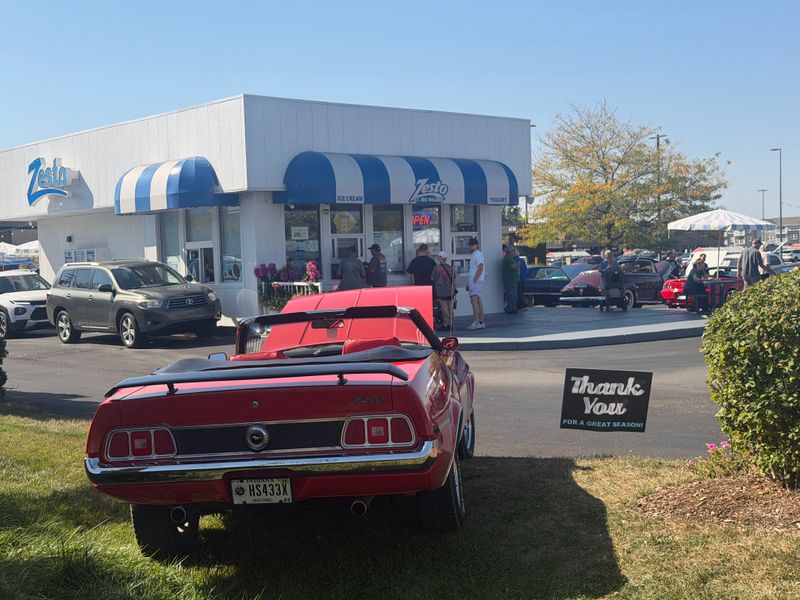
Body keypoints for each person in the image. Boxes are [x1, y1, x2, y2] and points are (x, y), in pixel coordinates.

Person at [432, 251, 456, 330]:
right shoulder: (451, 267)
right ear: (446, 258)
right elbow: (454, 280)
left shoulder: (436, 268)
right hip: (450, 290)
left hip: (441, 291)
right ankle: (451, 324)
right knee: (450, 309)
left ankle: (446, 325)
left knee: (445, 309)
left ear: (439, 258)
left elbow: (433, 279)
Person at [466, 237, 486, 329]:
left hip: (476, 281)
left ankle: (476, 322)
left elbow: (480, 267)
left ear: (475, 245)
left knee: (474, 301)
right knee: (478, 300)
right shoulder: (476, 254)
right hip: (477, 281)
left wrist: (474, 280)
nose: (469, 247)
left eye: (471, 245)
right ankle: (480, 321)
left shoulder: (477, 255)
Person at [501, 246, 520, 314]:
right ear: (510, 252)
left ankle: (513, 307)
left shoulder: (510, 259)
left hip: (513, 280)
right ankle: (510, 308)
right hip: (510, 280)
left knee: (513, 294)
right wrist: (518, 264)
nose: (514, 252)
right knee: (511, 295)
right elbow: (513, 266)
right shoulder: (507, 259)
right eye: (513, 251)